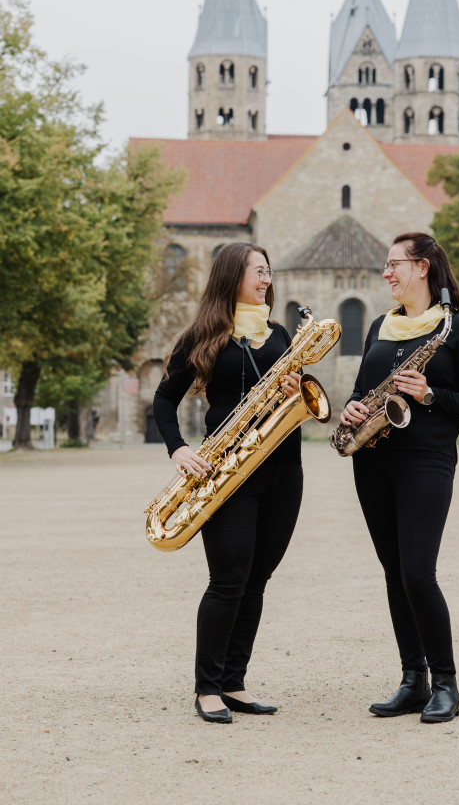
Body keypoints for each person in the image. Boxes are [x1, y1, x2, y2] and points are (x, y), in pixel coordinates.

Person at [339, 232, 459, 723]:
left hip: (426, 460)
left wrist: (429, 394)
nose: (386, 273)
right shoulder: (380, 325)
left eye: (394, 264)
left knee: (418, 573)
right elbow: (362, 388)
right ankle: (413, 681)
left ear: (422, 267)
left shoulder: (458, 328)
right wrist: (352, 408)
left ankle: (446, 684)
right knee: (394, 573)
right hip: (372, 461)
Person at [153, 242, 303, 724]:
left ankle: (234, 683)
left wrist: (295, 387)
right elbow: (164, 400)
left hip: (284, 470)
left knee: (257, 580)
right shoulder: (202, 336)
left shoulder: (281, 334)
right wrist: (178, 448)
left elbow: (297, 396)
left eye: (268, 271)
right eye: (259, 271)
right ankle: (207, 688)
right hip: (227, 472)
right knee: (228, 579)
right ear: (232, 275)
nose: (267, 279)